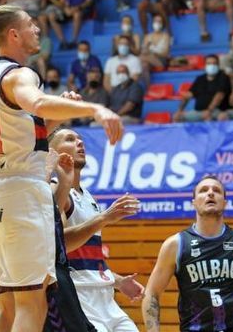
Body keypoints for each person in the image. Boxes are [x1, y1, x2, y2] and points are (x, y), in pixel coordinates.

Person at [0, 4, 122, 332]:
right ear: (13, 34)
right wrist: (95, 108)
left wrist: (62, 110)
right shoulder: (21, 74)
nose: (37, 30)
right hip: (19, 192)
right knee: (31, 305)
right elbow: (36, 102)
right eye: (31, 25)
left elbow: (24, 131)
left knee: (6, 309)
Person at [142, 175, 233, 332]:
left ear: (225, 203)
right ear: (194, 202)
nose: (210, 193)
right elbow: (151, 293)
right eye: (203, 190)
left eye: (217, 190)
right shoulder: (175, 245)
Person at [50, 128, 143, 332]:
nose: (80, 143)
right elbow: (59, 244)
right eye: (70, 139)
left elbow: (88, 258)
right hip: (79, 296)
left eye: (80, 139)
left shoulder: (88, 197)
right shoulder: (55, 188)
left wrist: (117, 281)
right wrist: (104, 218)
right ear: (52, 152)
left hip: (106, 299)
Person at [174, 55, 232, 122]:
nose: (212, 66)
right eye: (209, 64)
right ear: (205, 66)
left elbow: (219, 95)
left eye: (214, 63)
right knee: (178, 117)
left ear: (218, 65)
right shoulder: (200, 79)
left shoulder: (223, 77)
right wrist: (179, 110)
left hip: (216, 111)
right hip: (198, 111)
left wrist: (209, 110)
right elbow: (188, 95)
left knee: (211, 117)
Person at [139, 15, 171, 85]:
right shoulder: (147, 36)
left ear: (162, 24)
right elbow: (143, 51)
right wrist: (147, 48)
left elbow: (166, 54)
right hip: (148, 60)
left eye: (159, 21)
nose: (157, 23)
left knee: (142, 58)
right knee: (144, 65)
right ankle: (148, 88)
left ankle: (136, 63)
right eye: (155, 21)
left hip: (161, 60)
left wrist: (153, 53)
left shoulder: (166, 36)